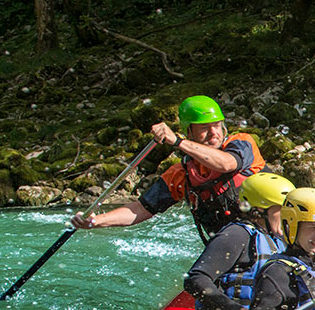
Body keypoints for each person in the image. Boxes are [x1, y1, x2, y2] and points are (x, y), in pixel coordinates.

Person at [71, 96, 265, 243]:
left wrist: (178, 142)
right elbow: (140, 209)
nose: (213, 133)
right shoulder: (182, 174)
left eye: (217, 126)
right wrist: (96, 221)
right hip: (229, 246)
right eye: (204, 128)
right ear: (190, 131)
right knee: (197, 280)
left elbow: (227, 164)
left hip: (270, 238)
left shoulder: (242, 143)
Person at [156, 171, 294, 310]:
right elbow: (195, 279)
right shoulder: (236, 236)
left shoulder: (278, 241)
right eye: (282, 210)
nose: (289, 218)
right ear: (259, 211)